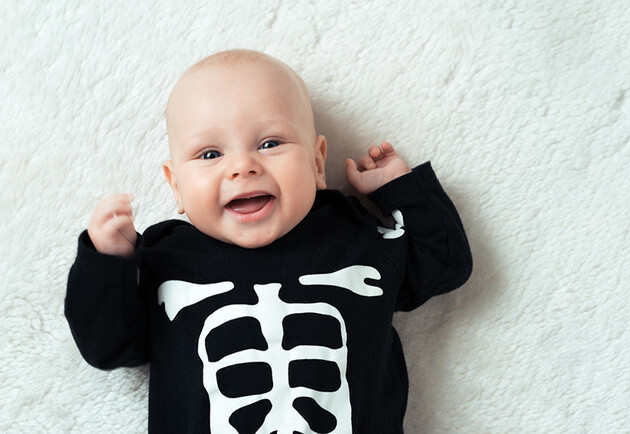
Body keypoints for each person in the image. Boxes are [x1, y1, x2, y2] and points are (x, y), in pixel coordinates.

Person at [65, 49, 472, 434]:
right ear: (177, 187)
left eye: (270, 144)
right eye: (210, 155)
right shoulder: (165, 259)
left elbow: (445, 263)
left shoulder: (351, 234)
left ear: (317, 163)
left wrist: (399, 190)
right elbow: (107, 347)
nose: (243, 166)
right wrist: (108, 262)